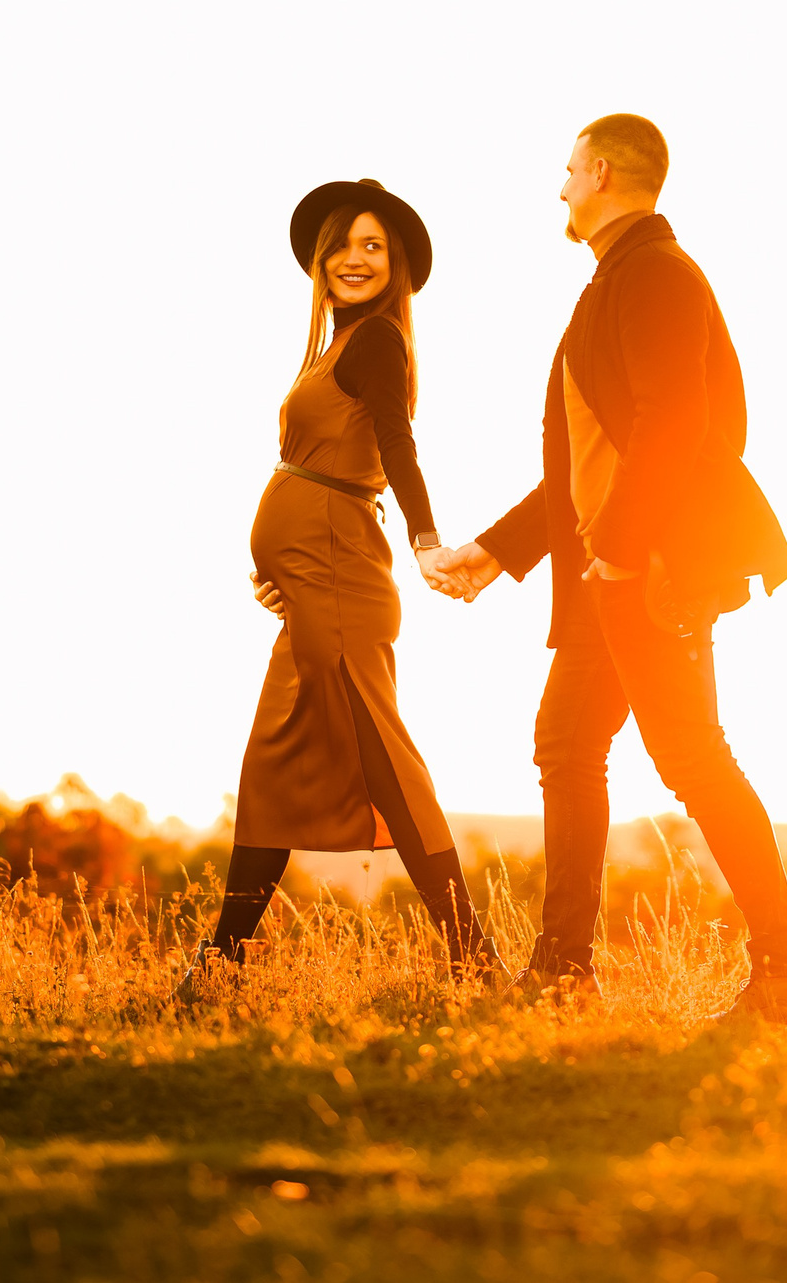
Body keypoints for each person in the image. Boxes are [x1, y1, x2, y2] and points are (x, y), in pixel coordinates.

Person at [428, 116, 787, 1019]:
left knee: (692, 757)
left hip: (649, 572)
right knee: (568, 743)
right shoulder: (616, 282)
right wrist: (495, 553)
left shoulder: (655, 276)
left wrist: (618, 553)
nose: (559, 187)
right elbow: (586, 457)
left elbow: (674, 422)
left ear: (602, 171)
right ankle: (565, 970)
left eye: (567, 170)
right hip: (613, 570)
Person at [186, 179, 508, 994]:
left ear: (394, 265)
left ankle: (472, 952)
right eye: (343, 245)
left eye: (374, 246)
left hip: (342, 581)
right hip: (314, 582)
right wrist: (280, 568)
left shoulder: (376, 344)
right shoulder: (337, 345)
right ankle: (221, 962)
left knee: (386, 761)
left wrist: (427, 537)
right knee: (273, 764)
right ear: (320, 261)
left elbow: (398, 444)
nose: (355, 258)